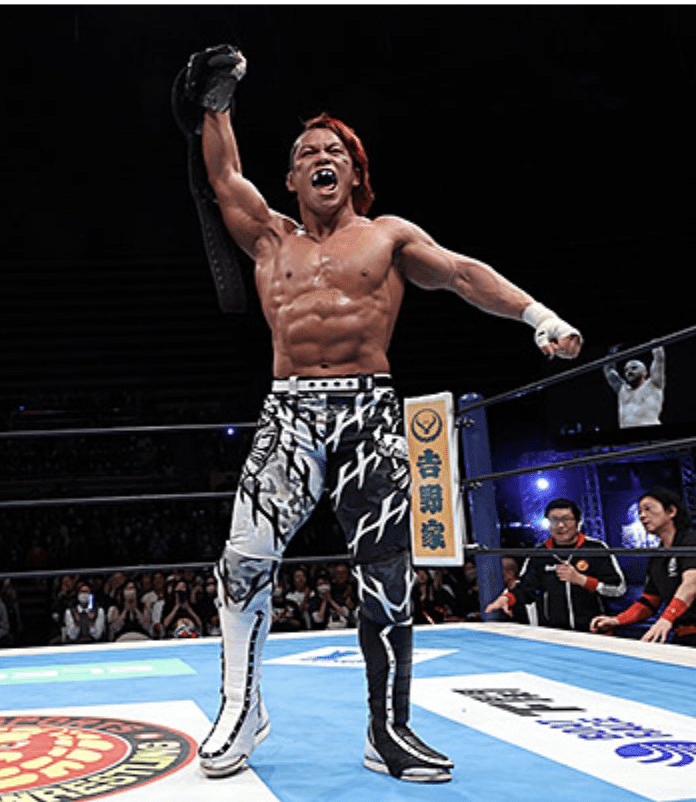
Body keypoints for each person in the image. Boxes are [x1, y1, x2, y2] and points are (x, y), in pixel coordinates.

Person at [177, 45, 583, 783]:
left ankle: (387, 728)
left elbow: (461, 275)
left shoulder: (388, 236)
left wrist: (538, 315)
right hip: (290, 411)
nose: (320, 158)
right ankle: (240, 707)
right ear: (291, 178)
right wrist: (217, 99)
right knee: (242, 561)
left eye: (334, 151)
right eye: (306, 153)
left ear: (355, 172)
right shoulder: (269, 237)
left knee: (388, 575)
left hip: (367, 411)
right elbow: (223, 174)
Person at [485, 498, 626, 631]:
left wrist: (582, 580)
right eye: (554, 520)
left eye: (566, 519)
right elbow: (525, 589)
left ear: (578, 522)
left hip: (594, 631)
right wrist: (507, 598)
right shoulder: (539, 554)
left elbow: (618, 589)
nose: (560, 525)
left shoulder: (596, 549)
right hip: (555, 634)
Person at [591, 487, 696, 646]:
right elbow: (649, 602)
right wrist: (616, 620)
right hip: (683, 636)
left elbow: (692, 583)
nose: (642, 516)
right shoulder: (657, 557)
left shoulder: (691, 541)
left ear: (671, 511)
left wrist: (666, 619)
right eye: (640, 511)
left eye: (648, 509)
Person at [604, 347, 664, 428]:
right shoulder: (622, 390)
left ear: (645, 372)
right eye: (626, 370)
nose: (629, 372)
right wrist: (612, 352)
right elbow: (608, 370)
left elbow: (659, 358)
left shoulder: (653, 384)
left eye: (634, 368)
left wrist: (655, 344)